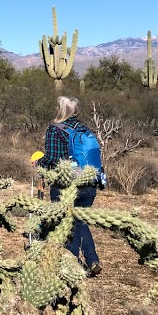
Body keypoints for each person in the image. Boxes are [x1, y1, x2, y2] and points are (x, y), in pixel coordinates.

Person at [40, 95, 102, 277]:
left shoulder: (55, 129)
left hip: (66, 184)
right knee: (79, 222)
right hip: (89, 183)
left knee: (66, 223)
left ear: (61, 109)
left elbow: (53, 158)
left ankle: (72, 264)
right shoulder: (84, 129)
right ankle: (92, 260)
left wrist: (39, 164)